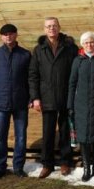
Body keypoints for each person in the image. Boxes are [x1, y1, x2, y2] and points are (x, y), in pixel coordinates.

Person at [29, 17, 79, 178]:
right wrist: (35, 97)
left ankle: (65, 162)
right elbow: (33, 75)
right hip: (47, 97)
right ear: (45, 29)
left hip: (66, 96)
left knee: (65, 131)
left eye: (54, 26)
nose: (52, 29)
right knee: (48, 132)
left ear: (59, 27)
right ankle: (47, 164)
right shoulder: (38, 50)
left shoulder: (70, 48)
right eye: (48, 26)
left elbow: (76, 72)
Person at [0, 23, 32, 179]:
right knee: (1, 137)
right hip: (1, 103)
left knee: (21, 136)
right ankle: (0, 167)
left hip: (21, 103)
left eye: (11, 33)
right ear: (1, 37)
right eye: (5, 34)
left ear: (16, 35)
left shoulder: (25, 55)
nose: (8, 36)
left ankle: (18, 167)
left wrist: (31, 98)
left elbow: (30, 79)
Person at [68, 31, 94, 181]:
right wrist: (70, 105)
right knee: (84, 137)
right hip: (81, 104)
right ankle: (86, 168)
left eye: (92, 42)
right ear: (82, 45)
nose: (89, 45)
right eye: (86, 42)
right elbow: (72, 84)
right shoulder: (78, 61)